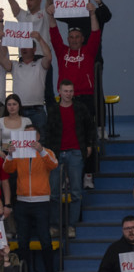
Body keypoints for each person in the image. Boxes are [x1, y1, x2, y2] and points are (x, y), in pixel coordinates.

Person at [3, 130, 58, 272]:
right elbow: (7, 169)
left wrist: (40, 150)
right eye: (25, 135)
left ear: (38, 137)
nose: (29, 138)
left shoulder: (46, 152)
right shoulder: (18, 153)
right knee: (23, 241)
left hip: (41, 202)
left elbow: (54, 164)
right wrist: (10, 154)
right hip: (22, 202)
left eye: (32, 135)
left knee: (45, 240)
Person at [43, 79, 95, 237]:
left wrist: (89, 144)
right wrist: (48, 152)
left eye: (71, 91)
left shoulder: (80, 108)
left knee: (76, 192)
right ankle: (55, 226)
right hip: (56, 154)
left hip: (76, 153)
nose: (68, 94)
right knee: (54, 194)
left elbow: (90, 127)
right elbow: (47, 132)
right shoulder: (52, 110)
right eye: (65, 91)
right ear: (59, 91)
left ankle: (71, 226)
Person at [0, 32, 51, 133]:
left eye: (27, 47)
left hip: (37, 111)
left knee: (40, 141)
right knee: (18, 141)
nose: (23, 49)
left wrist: (40, 39)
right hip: (19, 112)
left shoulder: (40, 64)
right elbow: (2, 59)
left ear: (34, 49)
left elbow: (49, 57)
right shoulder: (14, 65)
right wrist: (2, 40)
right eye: (22, 47)